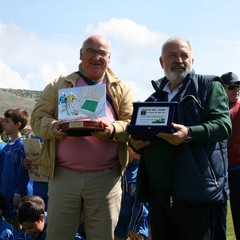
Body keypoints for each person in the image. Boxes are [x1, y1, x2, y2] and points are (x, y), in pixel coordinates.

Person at [31, 34, 134, 239]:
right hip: (63, 176)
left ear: (109, 57)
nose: (97, 57)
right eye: (91, 51)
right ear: (80, 54)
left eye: (102, 53)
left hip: (106, 178)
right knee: (59, 235)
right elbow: (37, 117)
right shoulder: (59, 84)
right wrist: (53, 127)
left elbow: (132, 123)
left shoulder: (121, 88)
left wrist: (113, 129)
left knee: (102, 236)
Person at [130, 37, 232, 240]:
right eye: (172, 55)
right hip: (158, 192)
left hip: (196, 190)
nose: (179, 60)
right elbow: (138, 138)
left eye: (184, 55)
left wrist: (189, 133)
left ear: (192, 60)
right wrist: (134, 143)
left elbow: (223, 125)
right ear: (161, 62)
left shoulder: (209, 85)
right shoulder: (153, 99)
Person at [0, 108, 30, 230]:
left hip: (17, 195)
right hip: (5, 193)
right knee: (8, 224)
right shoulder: (6, 149)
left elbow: (23, 172)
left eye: (7, 121)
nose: (4, 124)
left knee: (19, 226)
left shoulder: (22, 146)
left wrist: (18, 192)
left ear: (17, 125)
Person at [114, 146, 150, 240]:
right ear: (128, 146)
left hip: (137, 222)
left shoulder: (142, 168)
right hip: (118, 221)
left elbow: (142, 202)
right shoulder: (117, 166)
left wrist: (135, 226)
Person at [220, 72, 240, 240]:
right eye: (232, 86)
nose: (237, 90)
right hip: (217, 174)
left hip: (237, 172)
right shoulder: (214, 110)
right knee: (217, 221)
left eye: (238, 86)